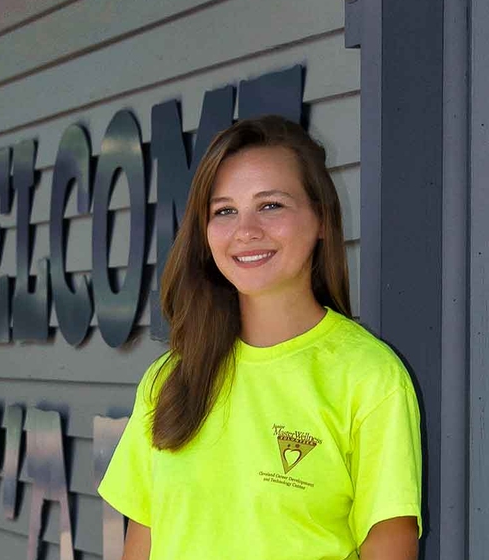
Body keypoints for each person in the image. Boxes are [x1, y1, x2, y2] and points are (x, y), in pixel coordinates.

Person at [98, 115, 422, 559]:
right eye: (224, 210)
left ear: (322, 218)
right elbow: (141, 545)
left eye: (271, 205)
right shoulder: (169, 380)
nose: (245, 230)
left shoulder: (369, 377)